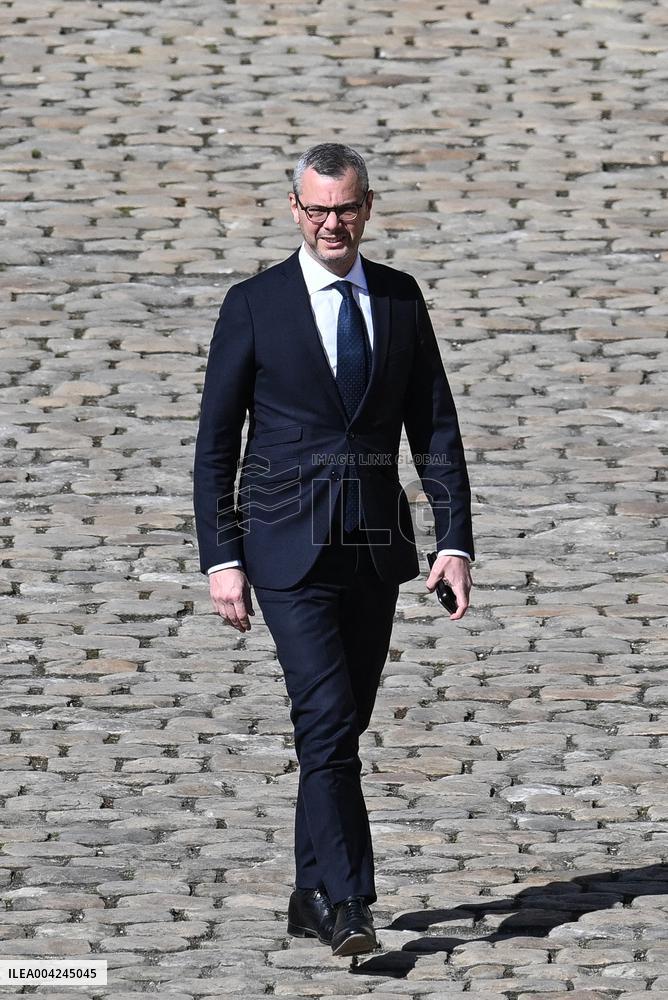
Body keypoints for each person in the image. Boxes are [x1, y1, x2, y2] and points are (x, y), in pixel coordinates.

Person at [193, 143, 474, 958]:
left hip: (375, 549)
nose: (330, 223)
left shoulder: (397, 298)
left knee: (341, 726)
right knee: (324, 721)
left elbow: (436, 429)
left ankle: (307, 890)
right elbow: (216, 444)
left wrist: (453, 541)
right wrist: (223, 557)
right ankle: (351, 904)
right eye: (316, 209)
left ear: (367, 207)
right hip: (283, 551)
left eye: (344, 208)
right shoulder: (255, 304)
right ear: (294, 210)